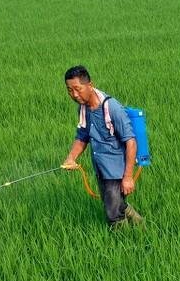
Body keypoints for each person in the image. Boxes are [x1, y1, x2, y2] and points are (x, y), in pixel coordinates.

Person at [61, 66, 144, 229]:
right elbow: (82, 136)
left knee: (112, 213)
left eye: (77, 89)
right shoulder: (83, 108)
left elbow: (131, 142)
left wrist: (127, 177)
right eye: (69, 90)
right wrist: (71, 158)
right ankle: (141, 227)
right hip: (100, 167)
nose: (74, 95)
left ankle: (123, 244)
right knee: (116, 203)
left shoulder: (112, 108)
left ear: (90, 85)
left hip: (115, 170)